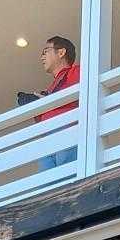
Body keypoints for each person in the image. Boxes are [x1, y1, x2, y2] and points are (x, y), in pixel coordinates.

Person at [34, 35, 79, 172]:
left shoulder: (76, 71)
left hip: (67, 128)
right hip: (47, 135)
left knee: (67, 175)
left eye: (46, 51)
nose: (42, 57)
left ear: (61, 52)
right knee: (47, 180)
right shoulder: (51, 87)